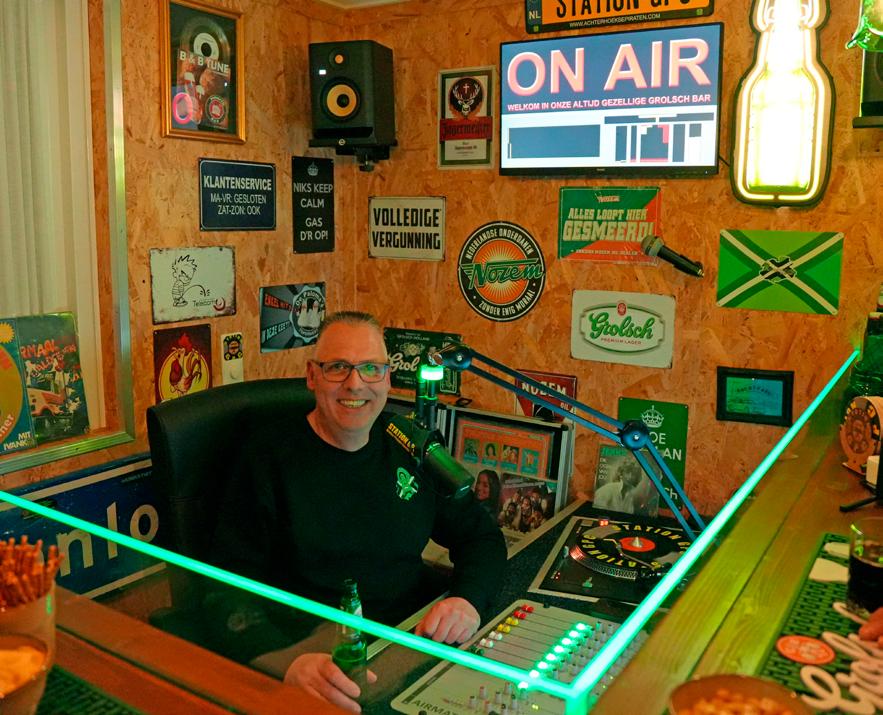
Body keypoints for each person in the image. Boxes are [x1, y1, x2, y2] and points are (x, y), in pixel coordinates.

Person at [205, 311, 506, 712]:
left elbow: (481, 537)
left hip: (405, 649)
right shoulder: (266, 458)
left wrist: (468, 600)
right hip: (314, 663)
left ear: (387, 378)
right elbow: (223, 590)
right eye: (337, 368)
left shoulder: (409, 444)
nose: (355, 383)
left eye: (370, 368)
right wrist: (287, 663)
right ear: (312, 376)